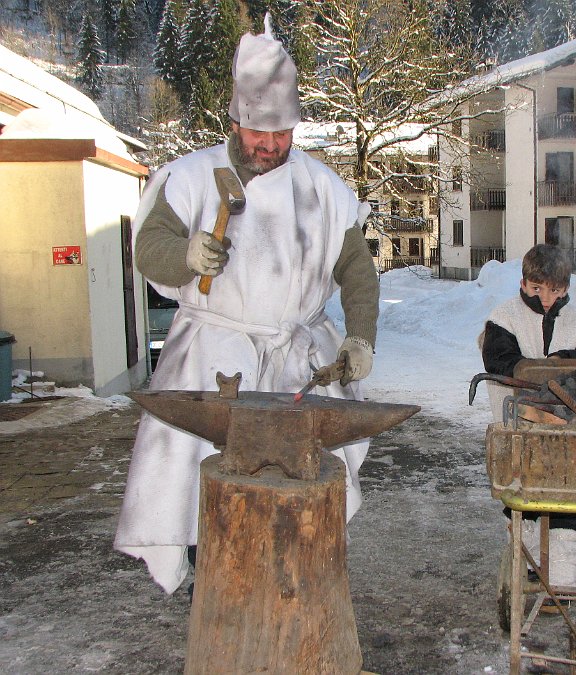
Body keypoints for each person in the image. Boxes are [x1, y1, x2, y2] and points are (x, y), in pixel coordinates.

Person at [114, 17, 379, 594]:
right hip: (212, 356)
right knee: (194, 485)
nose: (270, 146)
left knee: (301, 489)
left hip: (294, 359)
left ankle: (294, 589)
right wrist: (185, 254)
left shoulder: (324, 190)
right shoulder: (187, 178)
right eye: (259, 133)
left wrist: (360, 336)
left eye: (281, 134)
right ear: (235, 122)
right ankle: (216, 594)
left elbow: (357, 270)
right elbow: (150, 250)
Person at [480, 244, 576, 586]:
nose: (546, 299)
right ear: (523, 284)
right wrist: (541, 371)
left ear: (566, 289)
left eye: (555, 291)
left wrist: (563, 364)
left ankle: (559, 579)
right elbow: (499, 361)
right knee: (522, 496)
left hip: (567, 433)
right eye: (537, 289)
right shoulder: (504, 319)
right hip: (517, 428)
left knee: (563, 497)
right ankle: (526, 563)